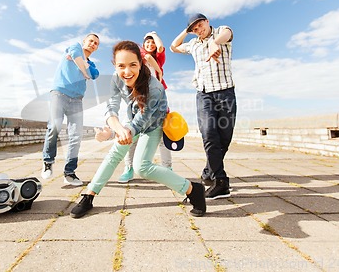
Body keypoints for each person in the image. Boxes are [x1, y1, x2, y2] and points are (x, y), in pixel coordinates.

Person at [70, 41, 206, 218]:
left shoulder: (155, 88)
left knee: (142, 167)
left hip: (153, 125)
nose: (127, 72)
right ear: (115, 66)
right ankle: (89, 195)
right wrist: (116, 129)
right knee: (114, 155)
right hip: (132, 121)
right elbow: (111, 106)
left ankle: (192, 189)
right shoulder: (116, 78)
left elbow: (142, 122)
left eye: (133, 65)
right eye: (121, 66)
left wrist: (124, 132)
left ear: (141, 64)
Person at [170, 13, 236, 199]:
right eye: (195, 29)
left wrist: (216, 43)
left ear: (207, 22)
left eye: (200, 25)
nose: (199, 30)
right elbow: (173, 47)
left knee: (224, 138)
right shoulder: (194, 44)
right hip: (204, 94)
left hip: (225, 92)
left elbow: (229, 32)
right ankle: (221, 181)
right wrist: (186, 30)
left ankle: (208, 171)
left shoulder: (220, 33)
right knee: (208, 133)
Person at [41, 33, 100, 186]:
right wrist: (83, 68)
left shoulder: (91, 64)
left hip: (77, 100)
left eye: (96, 43)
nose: (93, 44)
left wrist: (84, 66)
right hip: (59, 93)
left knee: (76, 135)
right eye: (91, 41)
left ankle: (69, 172)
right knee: (54, 126)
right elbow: (75, 55)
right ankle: (48, 161)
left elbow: (94, 75)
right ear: (84, 42)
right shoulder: (75, 46)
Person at [118, 31, 172, 183]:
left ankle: (168, 169)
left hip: (158, 100)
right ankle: (128, 168)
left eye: (152, 42)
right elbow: (146, 57)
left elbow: (160, 47)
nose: (150, 44)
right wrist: (159, 71)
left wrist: (154, 34)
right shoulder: (140, 55)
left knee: (163, 137)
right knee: (133, 135)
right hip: (140, 98)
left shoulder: (159, 58)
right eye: (147, 42)